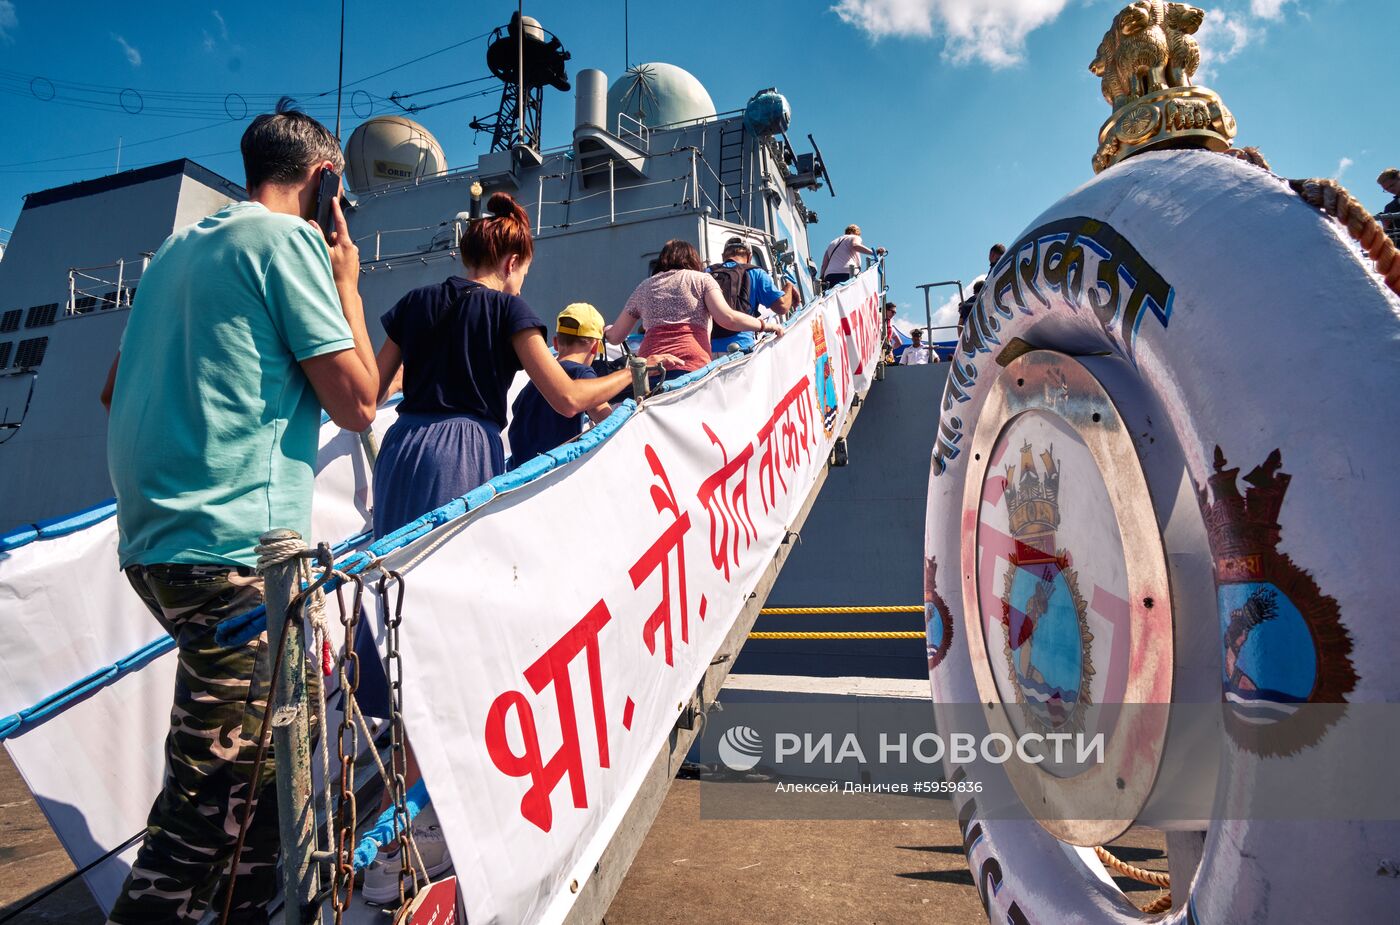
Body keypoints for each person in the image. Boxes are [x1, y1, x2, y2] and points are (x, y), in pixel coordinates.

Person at [101, 100, 377, 924]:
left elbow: (113, 387)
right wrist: (346, 284)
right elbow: (361, 399)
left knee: (259, 804)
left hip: (156, 546)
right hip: (235, 556)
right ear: (326, 180)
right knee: (210, 803)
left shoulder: (175, 254)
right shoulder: (288, 241)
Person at [371, 193, 678, 538]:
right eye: (524, 275)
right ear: (511, 263)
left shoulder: (414, 300)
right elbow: (568, 399)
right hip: (460, 452)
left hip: (399, 447)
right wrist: (634, 370)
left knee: (390, 569)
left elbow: (372, 394)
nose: (519, 288)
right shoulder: (509, 309)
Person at [606, 239, 781, 377]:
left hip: (650, 368)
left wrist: (606, 330)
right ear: (692, 258)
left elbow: (615, 337)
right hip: (690, 365)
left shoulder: (644, 287)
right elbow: (728, 318)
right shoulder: (701, 279)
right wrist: (766, 325)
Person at [506, 303, 613, 469]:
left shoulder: (536, 380)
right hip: (553, 475)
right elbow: (608, 421)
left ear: (556, 343)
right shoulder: (582, 374)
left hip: (519, 474)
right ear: (594, 347)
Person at [707, 237, 797, 353]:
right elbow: (782, 307)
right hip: (741, 348)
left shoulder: (708, 272)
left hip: (709, 349)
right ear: (749, 256)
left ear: (723, 256)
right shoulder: (756, 273)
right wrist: (789, 286)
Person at [819, 224, 881, 290]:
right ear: (856, 232)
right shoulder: (854, 237)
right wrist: (873, 253)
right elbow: (855, 245)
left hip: (830, 276)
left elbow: (824, 265)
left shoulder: (832, 243)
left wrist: (822, 278)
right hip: (848, 273)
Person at [1378, 168, 1400, 244]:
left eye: (1392, 185)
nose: (1390, 190)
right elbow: (1389, 236)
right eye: (1386, 189)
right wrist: (1385, 226)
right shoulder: (1389, 207)